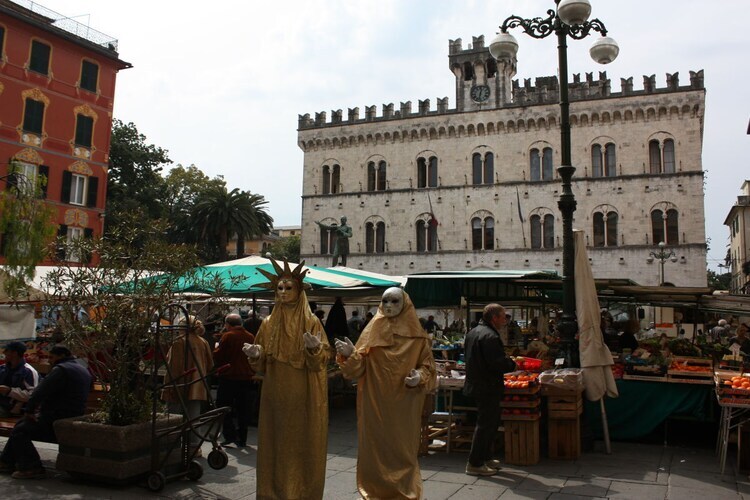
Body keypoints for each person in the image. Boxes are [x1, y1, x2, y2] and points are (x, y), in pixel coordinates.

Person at [336, 287, 436, 499]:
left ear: (405, 305)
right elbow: (357, 370)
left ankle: (404, 492)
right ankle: (375, 491)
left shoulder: (418, 338)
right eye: (385, 301)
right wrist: (350, 355)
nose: (389, 306)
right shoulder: (370, 333)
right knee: (374, 449)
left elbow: (428, 367)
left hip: (405, 405)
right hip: (375, 403)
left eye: (394, 301)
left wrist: (418, 377)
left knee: (403, 450)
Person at [243, 259, 329, 500]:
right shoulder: (268, 323)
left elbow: (322, 360)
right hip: (275, 393)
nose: (283, 292)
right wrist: (256, 355)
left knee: (301, 440)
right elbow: (261, 360)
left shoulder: (312, 322)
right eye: (279, 288)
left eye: (288, 288)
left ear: (299, 290)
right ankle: (273, 491)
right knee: (275, 440)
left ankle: (300, 492)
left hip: (303, 392)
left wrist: (314, 349)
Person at [0, 344, 91, 479]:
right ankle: (6, 461)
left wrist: (29, 411)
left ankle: (31, 466)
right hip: (72, 416)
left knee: (20, 431)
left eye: (51, 357)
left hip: (56, 417)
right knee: (21, 425)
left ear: (61, 356)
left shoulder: (60, 370)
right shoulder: (82, 369)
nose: (49, 361)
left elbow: (39, 392)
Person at [463, 304, 517, 476]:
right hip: (487, 385)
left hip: (478, 383)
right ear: (494, 318)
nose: (505, 320)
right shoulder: (490, 336)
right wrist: (513, 364)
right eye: (503, 317)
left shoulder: (473, 332)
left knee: (490, 423)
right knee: (486, 424)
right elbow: (497, 363)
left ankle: (486, 457)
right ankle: (475, 463)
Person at [162, 316, 213, 455]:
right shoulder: (202, 341)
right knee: (194, 417)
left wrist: (168, 386)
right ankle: (194, 448)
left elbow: (174, 367)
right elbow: (210, 364)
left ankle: (172, 447)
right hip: (198, 385)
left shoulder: (179, 342)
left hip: (180, 384)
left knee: (173, 417)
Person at [213, 313, 255, 447]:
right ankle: (242, 437)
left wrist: (216, 348)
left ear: (227, 324)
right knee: (243, 408)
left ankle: (230, 434)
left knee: (223, 406)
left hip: (229, 376)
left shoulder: (228, 336)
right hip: (246, 376)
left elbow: (219, 355)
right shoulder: (250, 336)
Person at [0, 342, 39, 417]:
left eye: (7, 350)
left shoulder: (28, 371)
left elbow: (33, 396)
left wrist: (9, 391)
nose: (4, 352)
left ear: (15, 353)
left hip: (13, 409)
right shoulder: (2, 368)